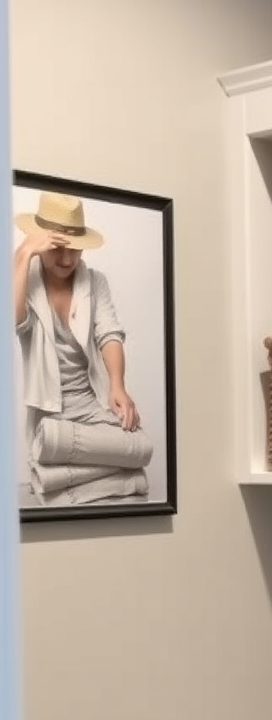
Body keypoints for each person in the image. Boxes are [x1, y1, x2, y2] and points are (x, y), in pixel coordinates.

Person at [13, 191, 151, 507]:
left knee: (140, 447)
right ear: (42, 242)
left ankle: (64, 476)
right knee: (66, 447)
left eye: (74, 250)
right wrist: (23, 254)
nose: (66, 259)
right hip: (50, 414)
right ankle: (121, 480)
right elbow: (14, 322)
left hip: (90, 406)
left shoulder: (94, 282)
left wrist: (118, 386)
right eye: (58, 249)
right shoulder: (25, 280)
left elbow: (110, 334)